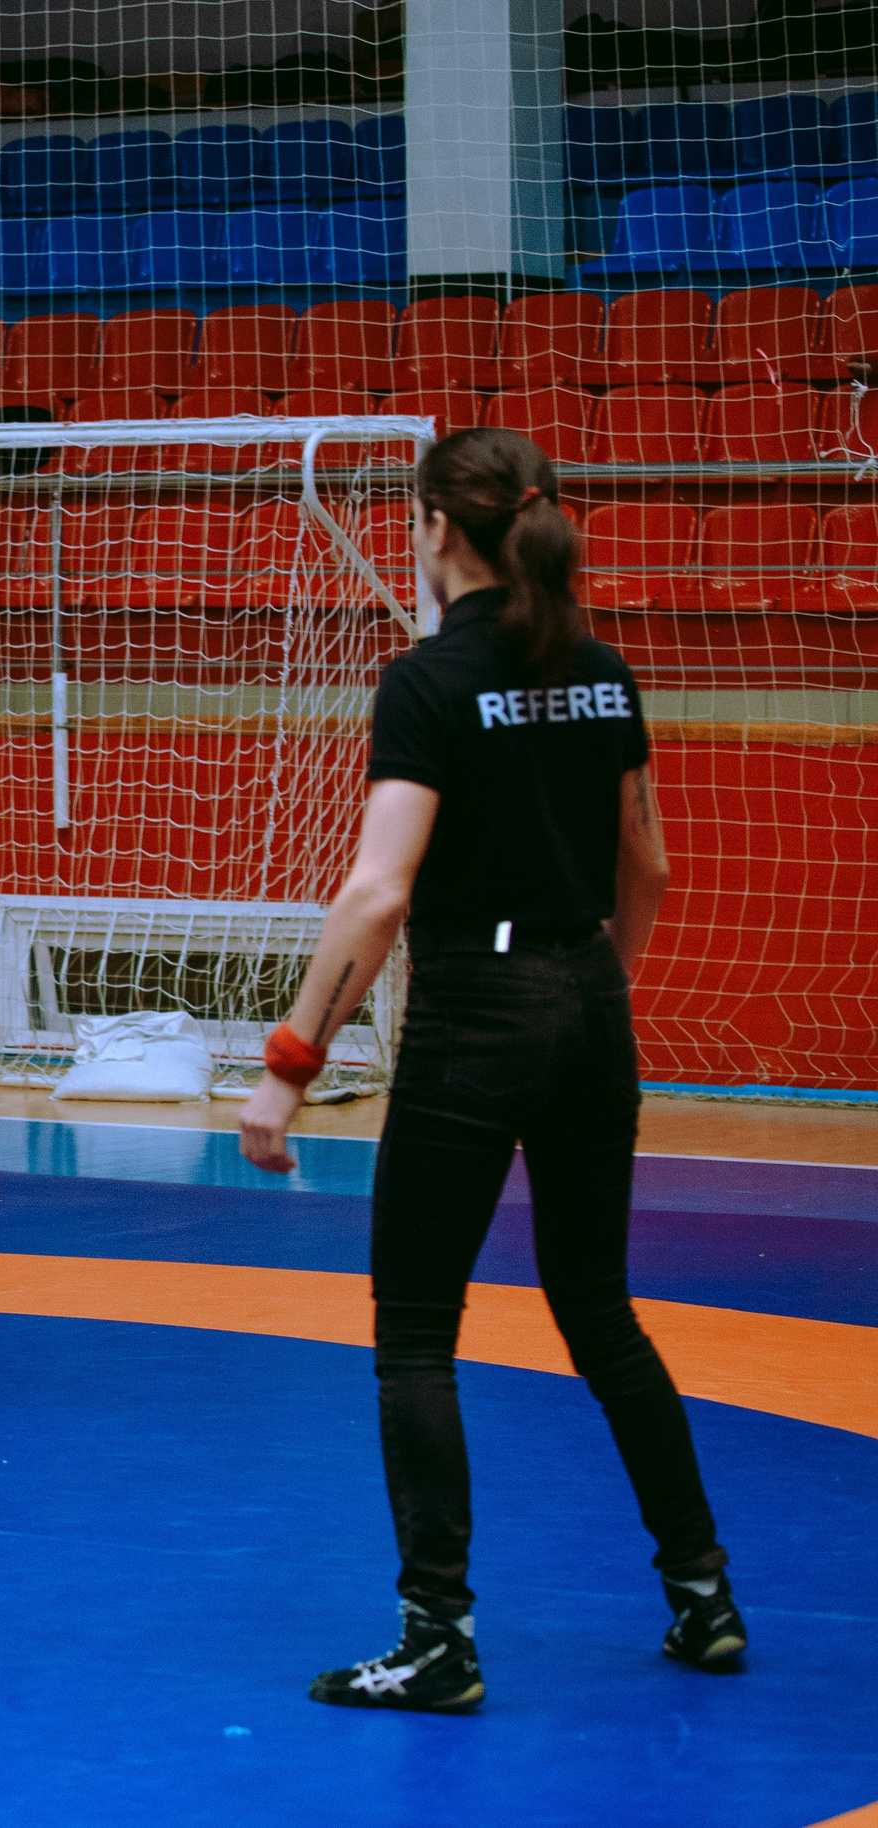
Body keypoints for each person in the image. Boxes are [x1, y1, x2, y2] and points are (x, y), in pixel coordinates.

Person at [236, 426, 743, 1711]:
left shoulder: (426, 682)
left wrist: (288, 1062)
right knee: (598, 1310)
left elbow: (374, 892)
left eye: (413, 525)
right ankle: (702, 1595)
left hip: (473, 1008)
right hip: (586, 997)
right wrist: (588, 986)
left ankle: (438, 1638)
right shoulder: (603, 671)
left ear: (440, 534)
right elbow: (652, 873)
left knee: (414, 1332)